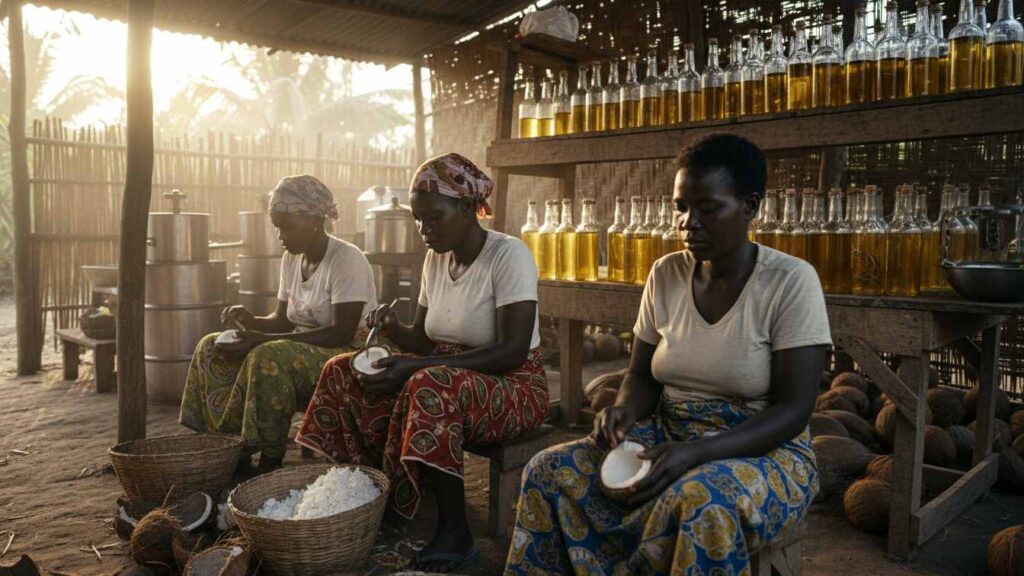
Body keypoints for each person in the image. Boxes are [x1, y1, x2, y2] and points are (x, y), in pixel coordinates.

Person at [504, 134, 832, 575]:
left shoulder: (790, 282)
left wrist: (700, 453)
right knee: (549, 469)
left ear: (751, 206)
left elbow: (793, 410)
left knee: (699, 502)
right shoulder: (666, 273)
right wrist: (622, 412)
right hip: (669, 432)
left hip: (761, 449)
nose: (688, 222)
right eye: (680, 207)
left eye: (708, 208)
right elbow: (642, 376)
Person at [297, 153, 548, 573]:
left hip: (513, 384)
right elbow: (426, 342)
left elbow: (513, 350)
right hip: (448, 375)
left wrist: (413, 368)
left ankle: (456, 533)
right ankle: (369, 496)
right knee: (344, 369)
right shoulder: (437, 258)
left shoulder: (509, 255)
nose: (423, 229)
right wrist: (395, 329)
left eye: (433, 217)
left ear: (468, 208)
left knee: (430, 385)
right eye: (418, 219)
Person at [179, 175, 377, 474]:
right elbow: (281, 320)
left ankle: (270, 459)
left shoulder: (346, 259)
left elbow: (342, 331)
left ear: (315, 220)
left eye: (288, 226)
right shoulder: (291, 259)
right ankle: (230, 448)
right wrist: (250, 321)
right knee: (211, 346)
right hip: (301, 348)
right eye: (277, 226)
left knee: (268, 355)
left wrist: (259, 340)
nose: (280, 235)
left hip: (348, 353)